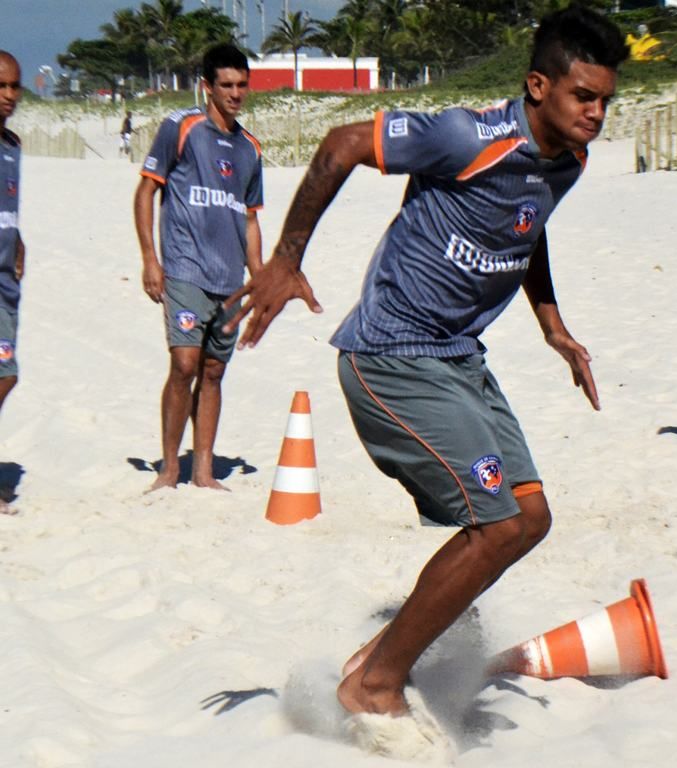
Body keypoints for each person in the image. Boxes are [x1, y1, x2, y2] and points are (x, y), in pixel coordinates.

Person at [224, 7, 627, 717]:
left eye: (604, 100)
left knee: (529, 520)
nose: (596, 113)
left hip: (461, 359)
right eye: (582, 97)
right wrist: (287, 259)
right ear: (538, 86)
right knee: (496, 525)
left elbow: (524, 227)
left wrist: (553, 326)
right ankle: (374, 684)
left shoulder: (569, 162)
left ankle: (376, 660)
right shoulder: (468, 135)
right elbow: (344, 141)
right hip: (391, 357)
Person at [133, 44, 263, 491]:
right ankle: (170, 468)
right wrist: (151, 259)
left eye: (242, 85)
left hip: (229, 279)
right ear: (207, 86)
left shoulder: (249, 148)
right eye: (225, 85)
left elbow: (249, 218)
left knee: (213, 371)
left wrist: (259, 277)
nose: (235, 93)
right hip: (184, 270)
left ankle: (204, 471)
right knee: (185, 364)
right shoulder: (181, 127)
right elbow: (146, 192)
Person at [0, 51, 24, 515]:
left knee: (6, 375)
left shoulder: (13, 144)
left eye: (14, 87)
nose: (8, 95)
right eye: (0, 87)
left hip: (6, 281)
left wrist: (18, 240)